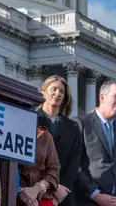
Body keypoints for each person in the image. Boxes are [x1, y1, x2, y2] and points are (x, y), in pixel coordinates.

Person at [74, 80, 116, 206]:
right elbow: (75, 165)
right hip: (88, 201)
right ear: (102, 97)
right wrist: (95, 194)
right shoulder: (81, 124)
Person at [37, 75, 81, 206]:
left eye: (62, 91)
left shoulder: (73, 127)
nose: (58, 94)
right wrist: (48, 186)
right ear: (43, 91)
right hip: (35, 190)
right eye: (54, 89)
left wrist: (59, 187)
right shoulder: (31, 119)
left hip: (62, 194)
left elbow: (75, 161)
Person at [17, 126, 62, 206]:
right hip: (12, 195)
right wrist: (19, 191)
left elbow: (54, 170)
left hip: (42, 196)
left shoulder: (46, 136)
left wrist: (37, 189)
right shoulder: (6, 131)